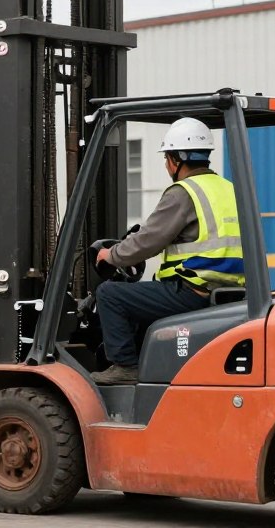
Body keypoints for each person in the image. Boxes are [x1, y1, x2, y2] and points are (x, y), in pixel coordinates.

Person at [90, 117, 244, 386]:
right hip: (232, 294)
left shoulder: (183, 192)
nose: (166, 165)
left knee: (110, 295)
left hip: (193, 292)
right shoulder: (230, 189)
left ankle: (125, 366)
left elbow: (148, 240)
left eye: (166, 159)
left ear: (175, 160)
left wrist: (111, 255)